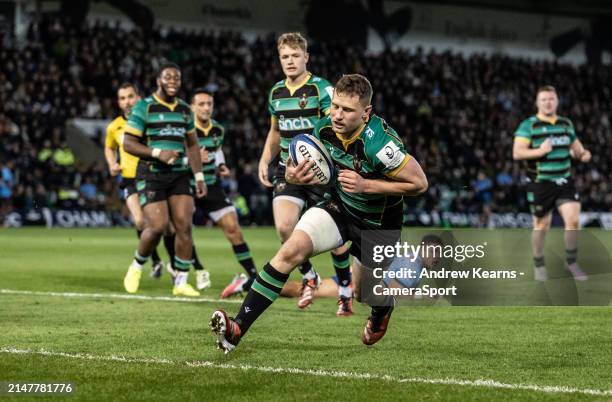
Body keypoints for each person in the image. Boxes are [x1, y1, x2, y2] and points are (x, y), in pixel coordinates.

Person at [210, 74, 428, 353]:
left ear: (366, 113)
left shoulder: (380, 145)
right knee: (290, 252)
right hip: (338, 208)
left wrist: (367, 185)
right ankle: (237, 328)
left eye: (347, 110)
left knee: (364, 293)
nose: (337, 115)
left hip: (377, 223)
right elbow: (294, 164)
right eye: (335, 106)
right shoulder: (324, 127)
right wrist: (293, 175)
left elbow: (419, 183)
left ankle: (382, 311)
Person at [257, 32, 352, 313]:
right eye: (284, 56)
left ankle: (345, 290)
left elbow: (334, 127)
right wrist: (265, 159)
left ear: (306, 57)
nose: (289, 61)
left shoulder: (321, 89)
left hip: (321, 171)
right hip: (290, 171)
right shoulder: (276, 92)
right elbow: (275, 130)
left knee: (335, 238)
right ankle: (310, 276)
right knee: (285, 227)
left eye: (295, 55)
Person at [122, 62, 206, 296]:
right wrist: (159, 153)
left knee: (184, 226)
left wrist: (199, 176)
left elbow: (192, 144)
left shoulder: (184, 110)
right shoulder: (144, 107)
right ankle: (136, 266)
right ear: (158, 81)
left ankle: (180, 282)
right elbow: (128, 143)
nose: (172, 82)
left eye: (176, 79)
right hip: (151, 173)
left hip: (178, 174)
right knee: (157, 227)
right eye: (167, 78)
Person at [513, 85, 591, 282]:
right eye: (544, 99)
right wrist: (540, 151)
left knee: (573, 220)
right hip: (540, 183)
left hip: (564, 180)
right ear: (537, 103)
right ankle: (539, 265)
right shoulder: (529, 125)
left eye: (551, 99)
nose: (548, 102)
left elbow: (577, 149)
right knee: (542, 225)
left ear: (557, 101)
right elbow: (518, 153)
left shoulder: (566, 124)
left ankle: (571, 263)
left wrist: (583, 154)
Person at [189, 88, 258, 294]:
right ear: (192, 107)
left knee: (233, 228)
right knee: (183, 232)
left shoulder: (217, 129)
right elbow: (173, 158)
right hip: (186, 186)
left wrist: (221, 166)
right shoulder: (185, 131)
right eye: (201, 104)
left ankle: (253, 276)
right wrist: (194, 159)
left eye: (209, 104)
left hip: (212, 186)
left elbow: (217, 150)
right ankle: (199, 269)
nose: (206, 108)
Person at [104, 83, 167, 278]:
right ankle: (156, 261)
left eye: (130, 96)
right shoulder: (114, 126)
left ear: (138, 98)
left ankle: (176, 265)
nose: (127, 102)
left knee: (164, 226)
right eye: (123, 98)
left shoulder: (147, 122)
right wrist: (112, 163)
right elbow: (109, 147)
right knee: (140, 221)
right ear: (118, 102)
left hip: (151, 177)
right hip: (129, 179)